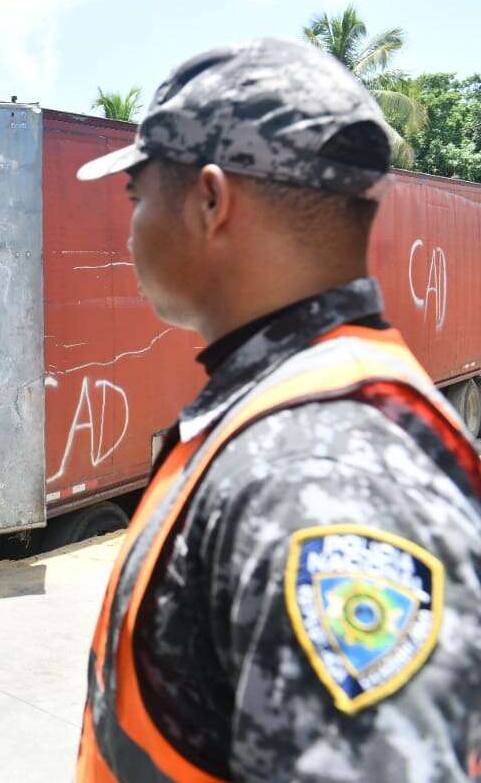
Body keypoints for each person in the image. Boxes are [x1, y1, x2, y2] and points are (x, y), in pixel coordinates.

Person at [72, 38, 481, 781]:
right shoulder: (285, 414)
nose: (129, 227)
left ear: (210, 199)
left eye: (137, 195)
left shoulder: (321, 475)